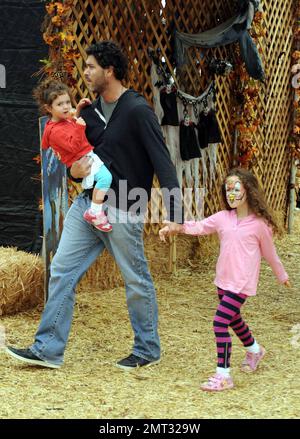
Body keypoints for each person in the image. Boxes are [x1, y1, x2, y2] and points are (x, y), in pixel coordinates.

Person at [5, 40, 183, 370]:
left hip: (124, 207)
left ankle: (147, 349)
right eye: (85, 67)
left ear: (109, 70)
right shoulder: (86, 111)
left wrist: (175, 214)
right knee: (61, 272)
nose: (84, 72)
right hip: (87, 205)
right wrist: (74, 172)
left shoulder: (137, 110)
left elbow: (163, 163)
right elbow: (77, 161)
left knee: (135, 280)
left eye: (90, 67)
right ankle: (47, 350)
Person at [159, 167, 290, 391]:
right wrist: (175, 227)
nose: (231, 193)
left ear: (248, 191)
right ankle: (255, 350)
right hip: (223, 281)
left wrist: (282, 275)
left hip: (241, 284)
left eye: (236, 188)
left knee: (220, 323)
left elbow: (270, 253)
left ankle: (224, 375)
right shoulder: (222, 218)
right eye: (227, 189)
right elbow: (199, 226)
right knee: (234, 320)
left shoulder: (259, 225)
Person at [34, 79, 113, 232]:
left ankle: (96, 210)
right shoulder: (55, 131)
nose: (65, 107)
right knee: (105, 178)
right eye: (59, 104)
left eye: (67, 102)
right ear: (49, 108)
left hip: (86, 155)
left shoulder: (61, 121)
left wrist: (78, 109)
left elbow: (70, 121)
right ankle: (95, 212)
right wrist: (79, 128)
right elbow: (72, 146)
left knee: (104, 178)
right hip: (83, 159)